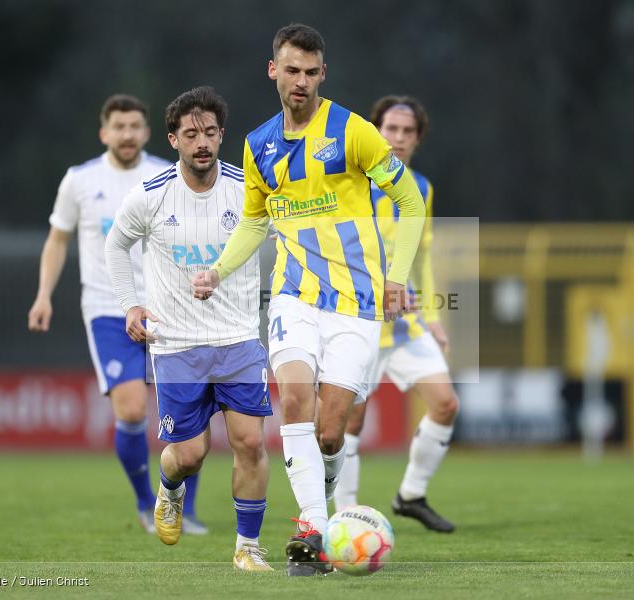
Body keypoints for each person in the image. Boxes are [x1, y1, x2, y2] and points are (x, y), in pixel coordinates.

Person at [191, 24, 426, 576]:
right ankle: (312, 533)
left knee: (330, 430)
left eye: (311, 72)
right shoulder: (257, 145)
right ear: (273, 70)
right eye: (291, 70)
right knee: (294, 402)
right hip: (294, 297)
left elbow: (410, 202)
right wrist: (219, 271)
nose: (301, 81)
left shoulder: (354, 132)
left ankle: (319, 518)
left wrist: (396, 277)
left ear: (323, 74)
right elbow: (254, 222)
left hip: (357, 302)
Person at [105, 86, 274, 571]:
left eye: (211, 133)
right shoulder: (150, 196)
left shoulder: (248, 190)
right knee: (190, 454)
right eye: (192, 133)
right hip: (176, 344)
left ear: (222, 136)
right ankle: (169, 489)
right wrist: (130, 305)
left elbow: (287, 237)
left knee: (250, 442)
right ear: (174, 139)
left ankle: (247, 547)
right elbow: (116, 247)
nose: (202, 142)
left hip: (239, 337)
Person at [27, 94, 206, 536]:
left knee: (190, 415)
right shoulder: (80, 181)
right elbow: (57, 240)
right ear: (103, 132)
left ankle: (183, 509)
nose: (126, 134)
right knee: (131, 409)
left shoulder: (168, 175)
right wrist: (43, 295)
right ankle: (148, 503)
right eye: (118, 126)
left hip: (171, 309)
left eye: (134, 126)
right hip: (109, 309)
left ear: (146, 133)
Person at [333, 96, 459, 533]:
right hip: (358, 320)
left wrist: (433, 314)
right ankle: (344, 516)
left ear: (417, 139)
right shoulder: (350, 182)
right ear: (376, 130)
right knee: (350, 418)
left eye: (408, 132)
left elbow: (422, 256)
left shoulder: (421, 188)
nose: (399, 138)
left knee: (445, 404)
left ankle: (410, 495)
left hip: (405, 324)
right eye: (391, 129)